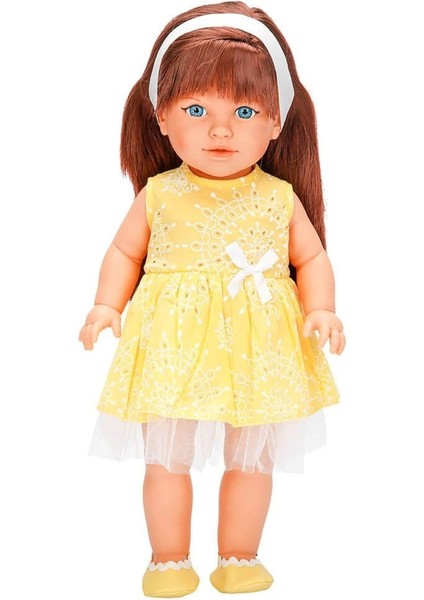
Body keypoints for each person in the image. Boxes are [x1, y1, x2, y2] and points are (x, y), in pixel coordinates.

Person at [79, 1, 346, 596]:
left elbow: (311, 258)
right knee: (166, 456)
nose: (220, 131)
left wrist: (321, 308)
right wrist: (106, 305)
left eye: (244, 111)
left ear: (276, 122)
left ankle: (239, 555)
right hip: (173, 343)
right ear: (162, 116)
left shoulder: (278, 197)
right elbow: (124, 252)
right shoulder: (159, 193)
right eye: (196, 110)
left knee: (252, 457)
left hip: (261, 346)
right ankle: (168, 558)